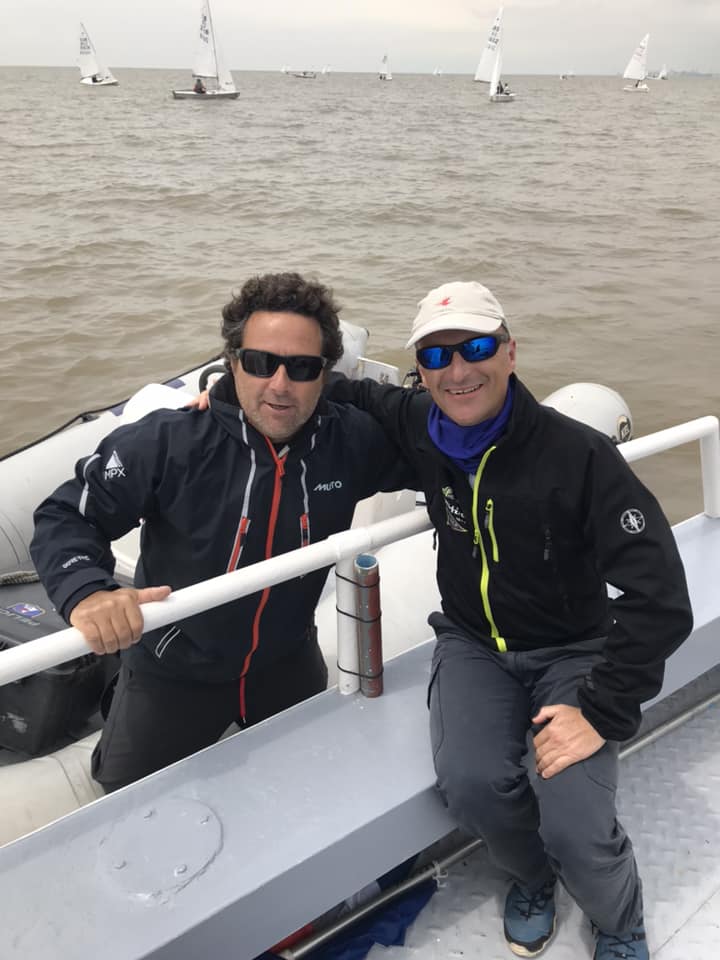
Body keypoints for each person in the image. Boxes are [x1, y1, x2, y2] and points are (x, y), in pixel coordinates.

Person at [326, 280, 693, 960]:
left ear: (510, 352)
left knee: (573, 818)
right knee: (471, 786)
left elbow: (662, 595)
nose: (457, 370)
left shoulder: (578, 456)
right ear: (421, 370)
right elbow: (348, 393)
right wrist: (228, 392)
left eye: (476, 348)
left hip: (574, 650)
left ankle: (619, 921)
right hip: (472, 644)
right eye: (436, 356)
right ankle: (531, 879)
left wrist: (601, 710)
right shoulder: (419, 423)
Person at [30, 272, 414, 793]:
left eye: (302, 368)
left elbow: (443, 456)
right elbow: (67, 514)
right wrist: (88, 592)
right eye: (259, 363)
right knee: (123, 797)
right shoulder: (167, 443)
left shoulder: (351, 442)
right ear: (233, 362)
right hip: (174, 665)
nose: (280, 384)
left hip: (287, 658)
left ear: (325, 374)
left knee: (311, 785)